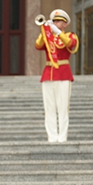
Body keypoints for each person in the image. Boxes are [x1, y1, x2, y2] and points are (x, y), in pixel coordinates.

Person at [35, 8, 79, 142]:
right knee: (49, 108)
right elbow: (38, 45)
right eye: (54, 21)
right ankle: (52, 137)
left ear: (65, 24)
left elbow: (71, 44)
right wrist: (45, 30)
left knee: (63, 107)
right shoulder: (49, 38)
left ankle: (62, 137)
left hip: (63, 74)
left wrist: (58, 32)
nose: (55, 22)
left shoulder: (70, 35)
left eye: (59, 21)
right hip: (49, 74)